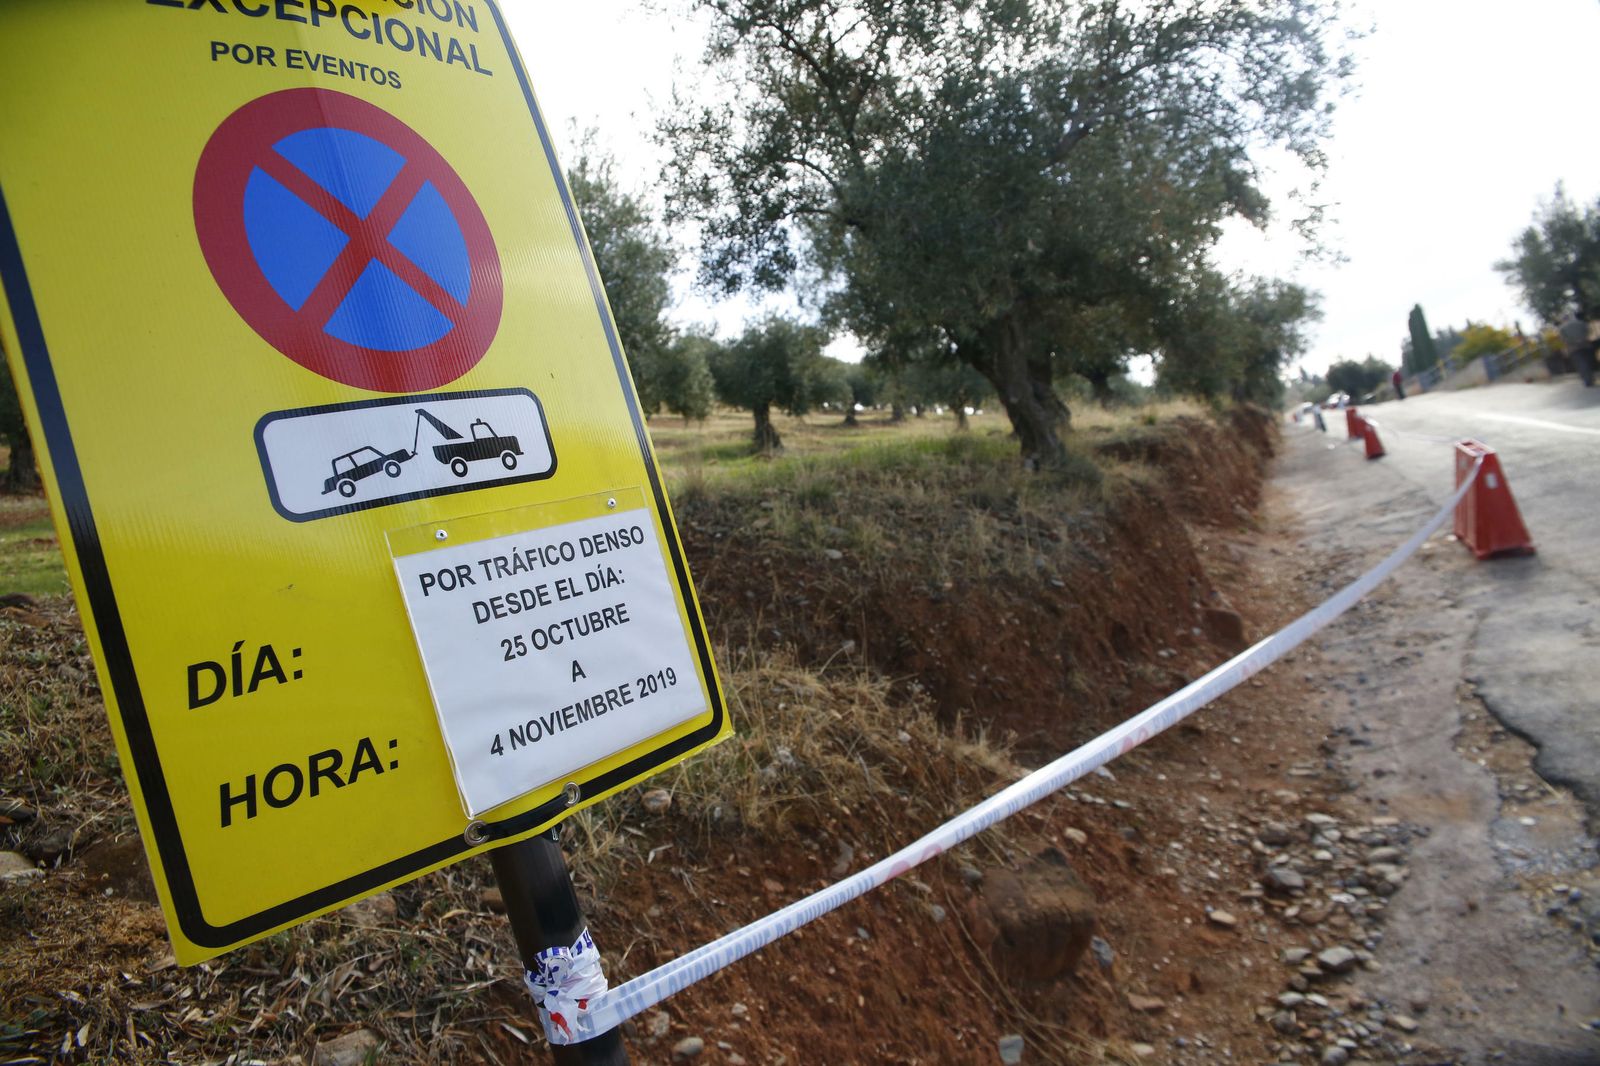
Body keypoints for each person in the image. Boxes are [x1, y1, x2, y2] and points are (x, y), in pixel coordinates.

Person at [1560, 310, 1595, 388]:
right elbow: (1588, 330)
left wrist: (1573, 342)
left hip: (1574, 348)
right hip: (1585, 344)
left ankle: (1587, 380)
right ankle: (1590, 377)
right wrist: (1583, 338)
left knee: (1581, 364)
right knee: (1588, 361)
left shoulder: (1562, 328)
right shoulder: (1580, 323)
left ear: (1563, 319)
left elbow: (1564, 339)